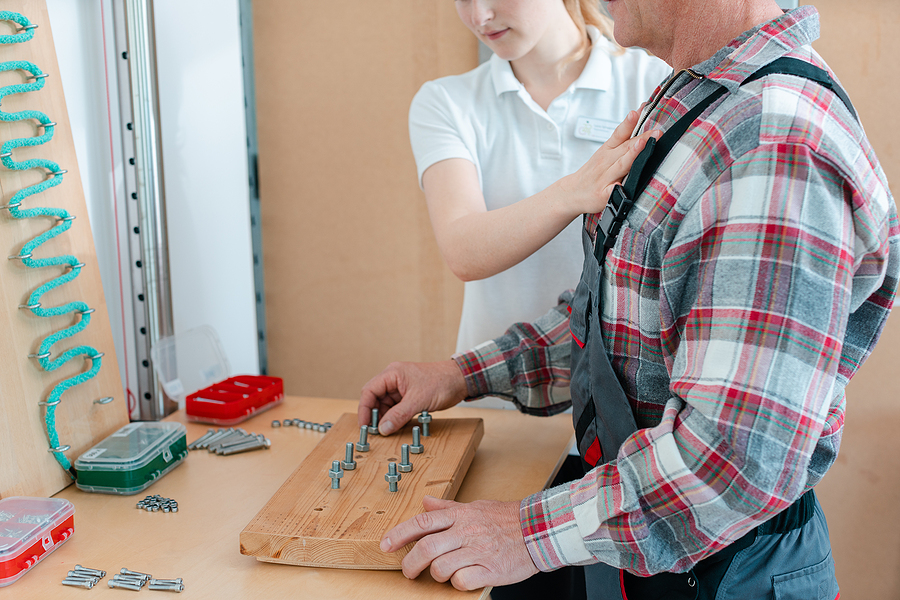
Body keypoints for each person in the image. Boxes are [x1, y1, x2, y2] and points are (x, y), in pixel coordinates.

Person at [361, 1, 900, 599]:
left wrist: (522, 535)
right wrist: (467, 374)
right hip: (660, 550)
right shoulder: (694, 95)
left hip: (726, 569)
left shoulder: (774, 141)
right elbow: (622, 323)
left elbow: (730, 464)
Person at [410, 0, 670, 360]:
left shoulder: (655, 81)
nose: (479, 16)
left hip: (621, 391)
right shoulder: (447, 102)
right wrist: (572, 193)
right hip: (490, 382)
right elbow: (462, 251)